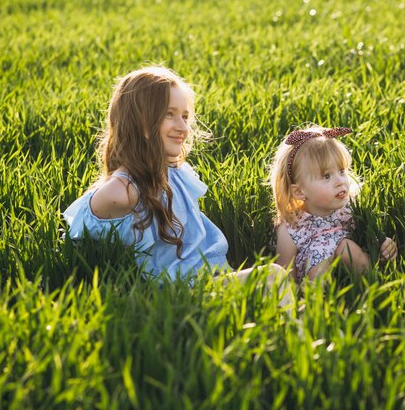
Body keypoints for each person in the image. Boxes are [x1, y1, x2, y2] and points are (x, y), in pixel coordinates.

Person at [63, 66, 292, 307]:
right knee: (273, 276)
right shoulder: (122, 190)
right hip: (179, 294)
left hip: (212, 276)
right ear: (139, 120)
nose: (183, 127)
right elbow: (80, 233)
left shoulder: (176, 173)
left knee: (276, 283)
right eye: (169, 114)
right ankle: (300, 339)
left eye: (184, 116)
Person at [269, 125, 398, 284]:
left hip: (355, 267)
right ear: (300, 192)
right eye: (326, 176)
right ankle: (316, 297)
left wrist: (385, 248)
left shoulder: (351, 209)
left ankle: (372, 281)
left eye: (342, 171)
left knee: (346, 247)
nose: (340, 181)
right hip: (313, 282)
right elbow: (285, 276)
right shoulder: (291, 228)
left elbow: (371, 240)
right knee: (319, 267)